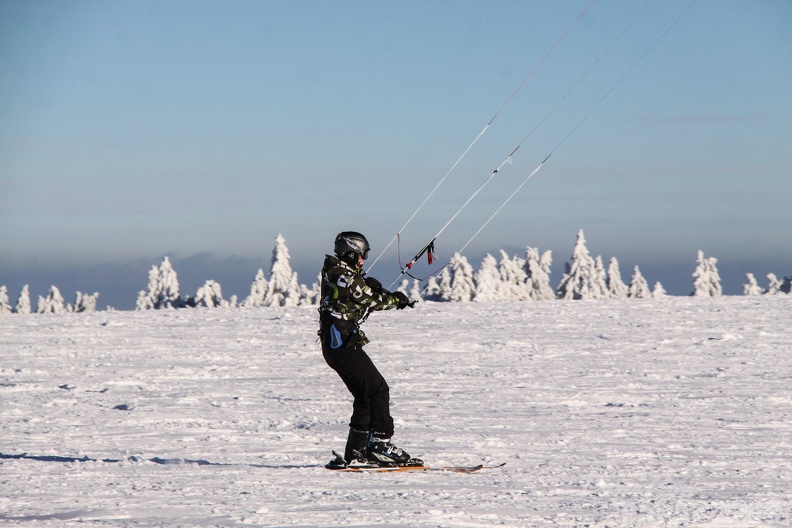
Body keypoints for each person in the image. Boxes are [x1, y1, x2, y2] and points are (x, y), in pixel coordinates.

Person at [318, 231, 420, 468]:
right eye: (361, 255)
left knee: (364, 396)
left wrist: (372, 287)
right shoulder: (342, 274)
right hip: (342, 344)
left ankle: (356, 452)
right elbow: (367, 298)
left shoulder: (339, 271)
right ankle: (381, 444)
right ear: (351, 253)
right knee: (378, 389)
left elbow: (359, 292)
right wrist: (395, 300)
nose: (363, 260)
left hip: (339, 344)